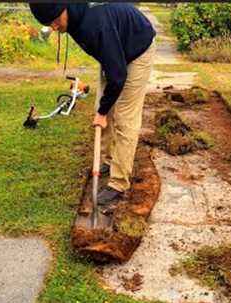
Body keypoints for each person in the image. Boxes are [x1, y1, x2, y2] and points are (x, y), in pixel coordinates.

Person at [29, 3, 156, 205]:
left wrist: (104, 112)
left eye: (54, 20)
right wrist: (103, 110)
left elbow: (118, 76)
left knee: (124, 117)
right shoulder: (73, 21)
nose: (53, 27)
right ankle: (106, 160)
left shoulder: (93, 25)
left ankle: (118, 182)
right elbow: (110, 64)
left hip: (137, 47)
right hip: (115, 48)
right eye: (48, 24)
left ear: (64, 9)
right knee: (102, 107)